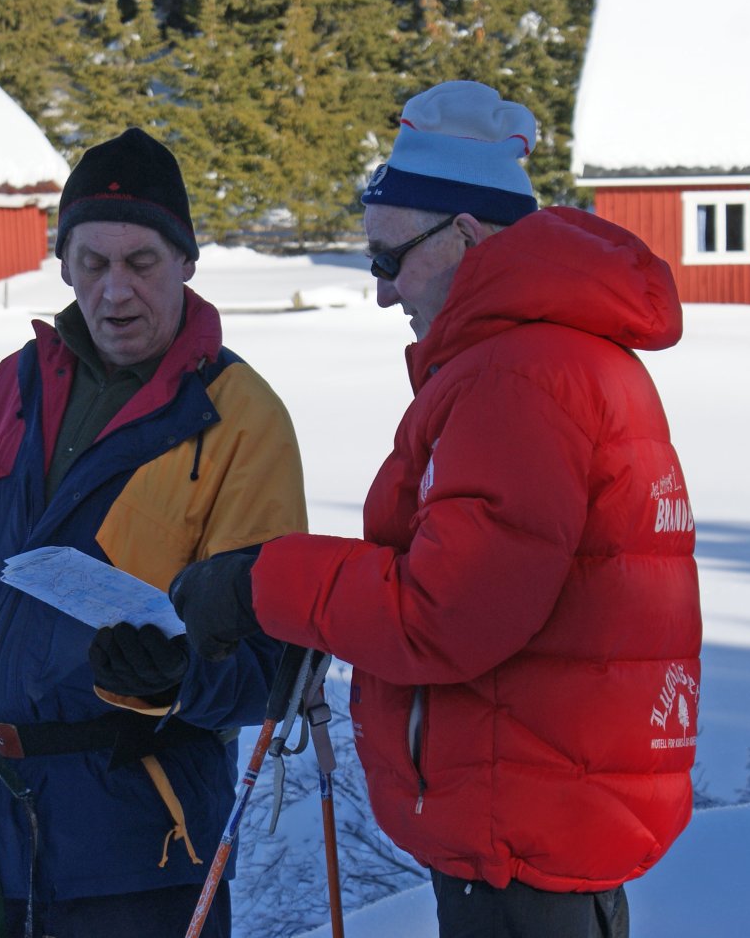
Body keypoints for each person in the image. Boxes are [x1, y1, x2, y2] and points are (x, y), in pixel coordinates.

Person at [170, 81, 701, 938]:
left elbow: (447, 610)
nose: (381, 293)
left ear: (465, 234)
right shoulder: (553, 355)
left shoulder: (517, 375)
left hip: (525, 847)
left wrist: (262, 580)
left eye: (388, 259)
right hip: (541, 822)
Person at [0, 127, 307, 938]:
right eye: (92, 263)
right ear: (64, 262)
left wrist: (175, 677)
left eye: (140, 262)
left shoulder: (241, 419)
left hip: (139, 864)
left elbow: (269, 670)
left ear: (186, 259)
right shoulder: (12, 387)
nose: (114, 291)